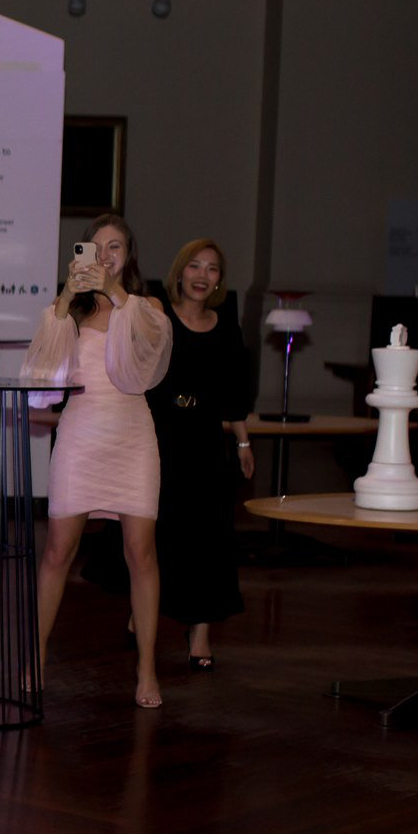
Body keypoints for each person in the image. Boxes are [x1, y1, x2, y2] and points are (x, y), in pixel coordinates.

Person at [22, 214, 173, 708]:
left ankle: (146, 669)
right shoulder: (73, 312)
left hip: (133, 437)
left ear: (129, 257)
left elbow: (151, 353)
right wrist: (66, 298)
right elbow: (44, 376)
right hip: (81, 435)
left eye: (116, 248)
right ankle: (34, 657)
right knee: (57, 552)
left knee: (141, 553)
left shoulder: (144, 307)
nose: (106, 256)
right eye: (97, 247)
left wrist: (115, 292)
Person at [150, 238, 256, 671]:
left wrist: (244, 442)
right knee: (162, 533)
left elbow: (234, 392)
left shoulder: (226, 325)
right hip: (161, 437)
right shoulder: (158, 314)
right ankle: (146, 613)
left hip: (208, 442)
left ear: (219, 280)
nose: (202, 276)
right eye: (194, 266)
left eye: (212, 269)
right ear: (180, 271)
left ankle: (201, 633)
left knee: (211, 536)